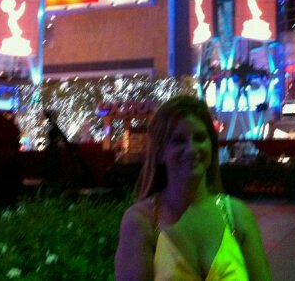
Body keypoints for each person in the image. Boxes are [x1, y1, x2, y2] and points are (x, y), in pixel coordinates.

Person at [115, 95, 271, 280]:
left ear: (211, 147)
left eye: (199, 137)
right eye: (179, 140)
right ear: (160, 153)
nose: (192, 149)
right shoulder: (140, 222)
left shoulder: (237, 216)